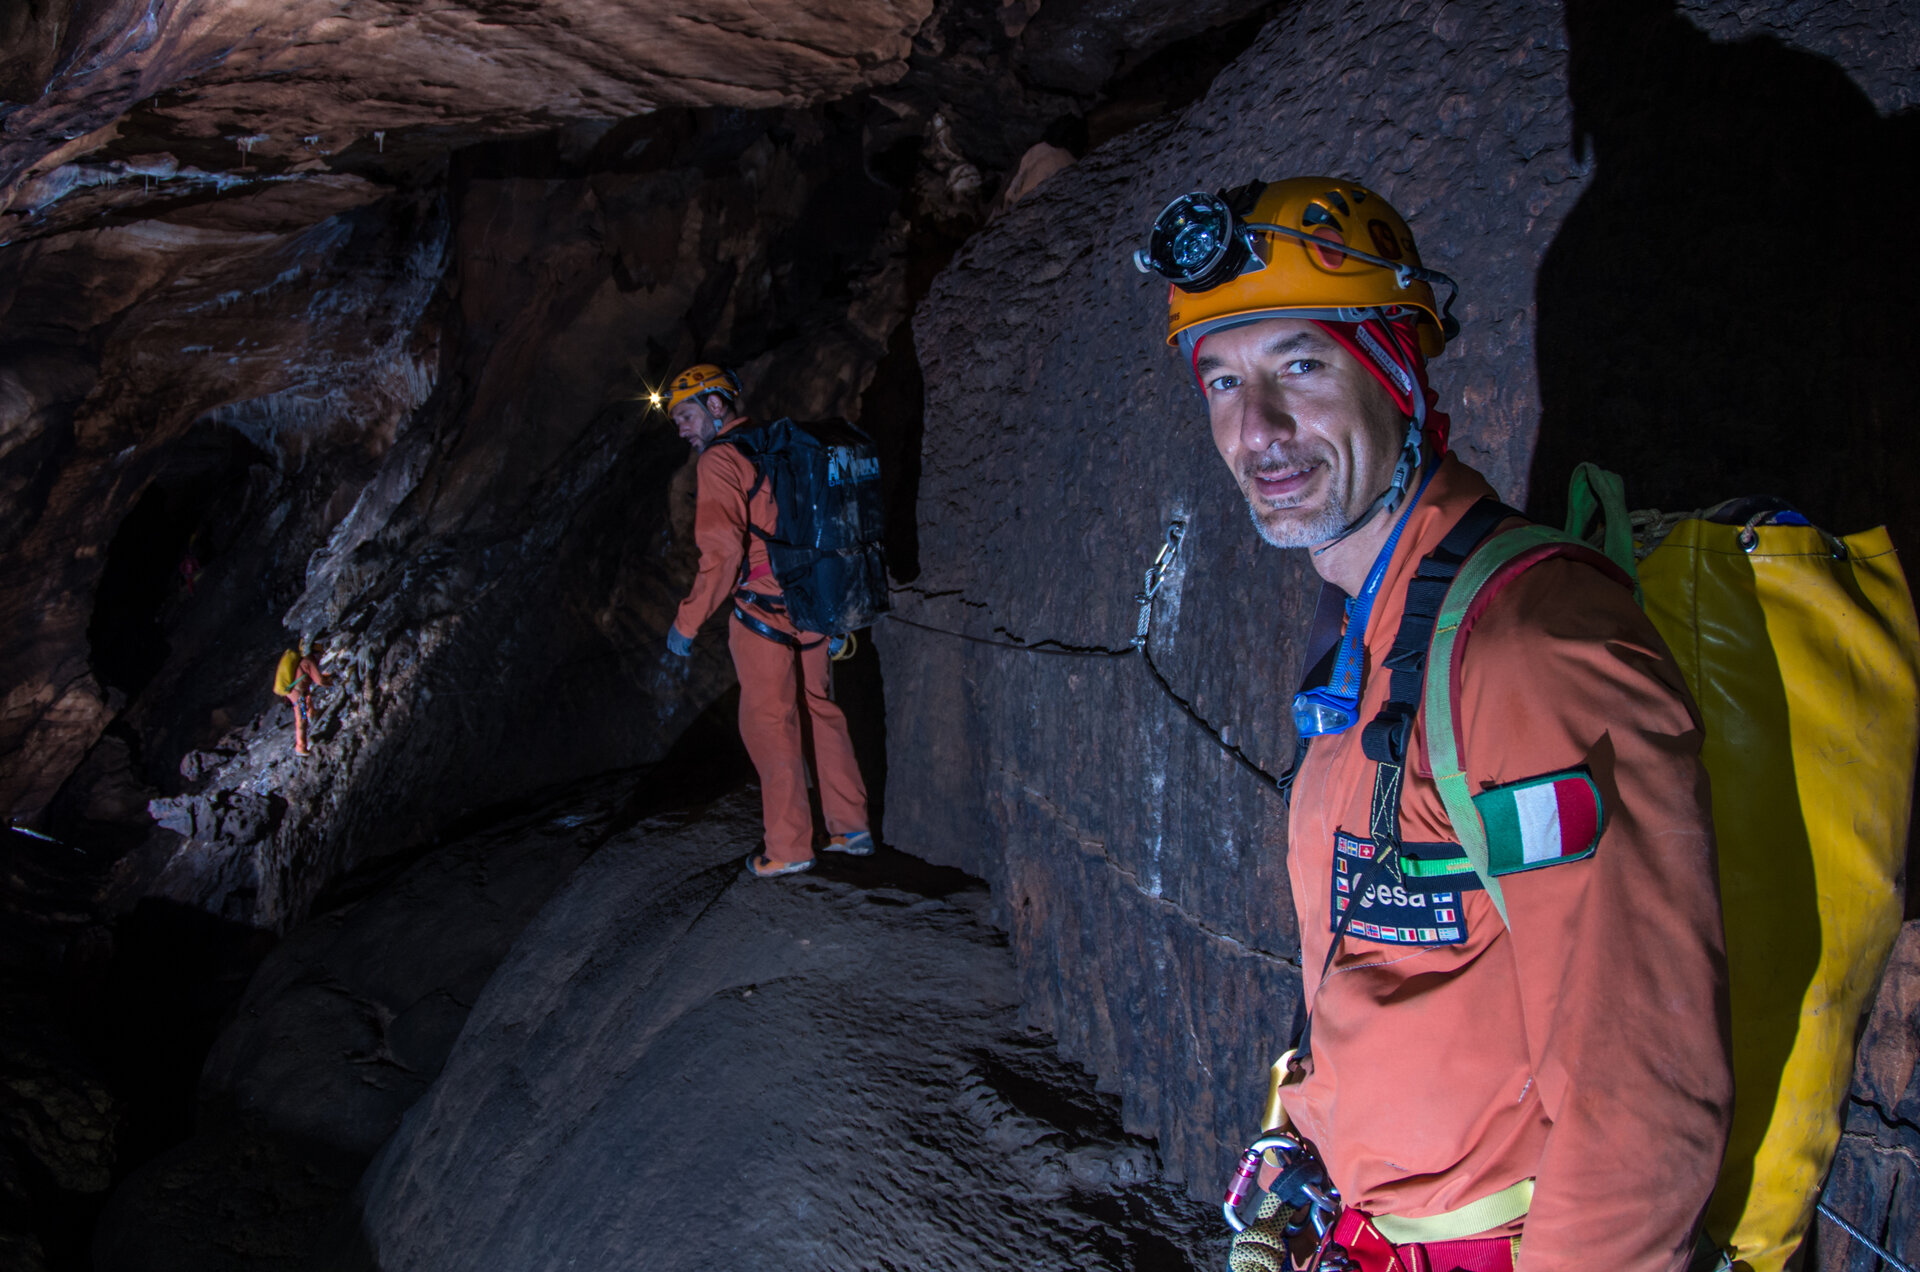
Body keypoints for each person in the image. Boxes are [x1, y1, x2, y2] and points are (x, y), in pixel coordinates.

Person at [1134, 179, 1732, 1268]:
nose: (1255, 429)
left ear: (1396, 374)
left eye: (1300, 367)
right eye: (1223, 380)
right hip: (1369, 1228)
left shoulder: (1528, 649)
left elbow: (1643, 1095)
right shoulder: (1365, 629)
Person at [663, 364, 872, 878]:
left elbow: (722, 555)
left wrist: (686, 623)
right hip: (815, 601)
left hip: (762, 611)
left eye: (686, 415)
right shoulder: (782, 444)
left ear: (715, 405)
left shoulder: (720, 460)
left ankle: (789, 847)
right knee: (820, 710)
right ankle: (851, 828)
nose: (682, 429)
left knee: (769, 722)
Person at [273, 635, 329, 757]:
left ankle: (312, 715)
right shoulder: (308, 662)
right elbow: (319, 681)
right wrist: (331, 680)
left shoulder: (303, 661)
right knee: (301, 717)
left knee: (306, 705)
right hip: (297, 693)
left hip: (297, 690)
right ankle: (300, 746)